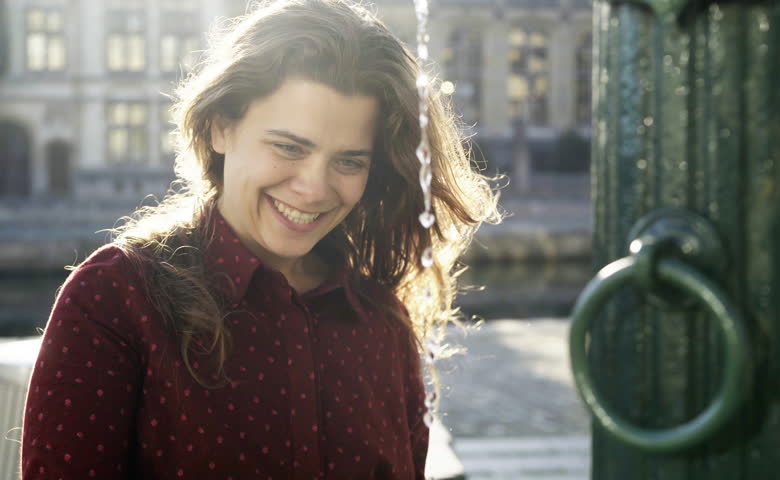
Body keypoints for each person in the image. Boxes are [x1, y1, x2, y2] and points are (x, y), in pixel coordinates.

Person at [19, 0, 500, 478]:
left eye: (349, 161)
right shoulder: (113, 301)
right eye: (289, 147)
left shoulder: (381, 322)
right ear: (219, 127)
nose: (314, 188)